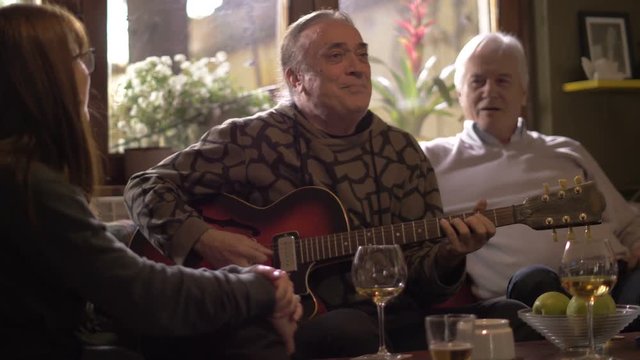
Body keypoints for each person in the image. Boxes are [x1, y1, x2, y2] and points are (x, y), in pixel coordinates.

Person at [124, 10, 534, 358]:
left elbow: (423, 284)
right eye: (337, 56)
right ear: (297, 79)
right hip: (303, 321)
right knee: (353, 331)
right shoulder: (250, 140)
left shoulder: (401, 151)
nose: (357, 67)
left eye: (361, 55)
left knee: (514, 316)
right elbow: (145, 186)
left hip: (394, 318)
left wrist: (448, 255)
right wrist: (206, 239)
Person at [0, 4, 302, 359]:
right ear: (43, 77)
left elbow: (74, 248)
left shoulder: (20, 175)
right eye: (81, 57)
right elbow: (145, 294)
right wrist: (262, 286)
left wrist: (121, 233)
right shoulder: (27, 183)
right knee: (250, 333)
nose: (87, 71)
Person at [421, 31, 640, 326]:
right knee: (534, 280)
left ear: (523, 92)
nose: (490, 91)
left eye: (503, 81)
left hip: (612, 283)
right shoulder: (431, 160)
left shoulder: (566, 150)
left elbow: (628, 224)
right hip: (528, 298)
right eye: (478, 81)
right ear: (460, 92)